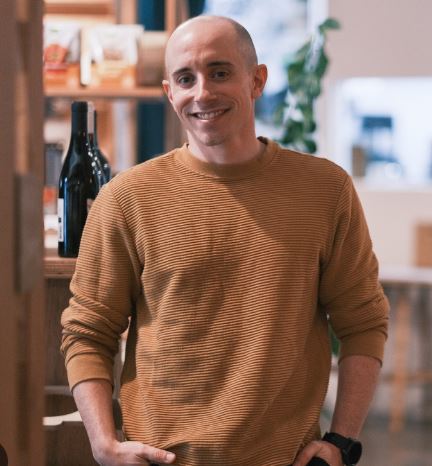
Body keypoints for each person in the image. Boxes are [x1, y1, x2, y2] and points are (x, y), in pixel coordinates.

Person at [61, 15, 389, 466]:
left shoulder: (325, 191)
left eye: (219, 72)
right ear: (169, 92)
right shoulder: (127, 198)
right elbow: (87, 331)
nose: (202, 93)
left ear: (257, 81)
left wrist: (342, 441)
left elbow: (363, 323)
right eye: (185, 79)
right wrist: (104, 444)